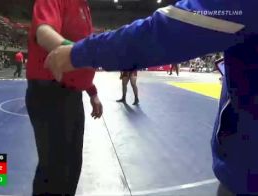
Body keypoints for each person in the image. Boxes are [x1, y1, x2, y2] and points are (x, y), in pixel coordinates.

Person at [45, 1, 258, 195]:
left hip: (247, 176)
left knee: (58, 164)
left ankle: (8, 181)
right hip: (50, 91)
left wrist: (76, 53)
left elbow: (167, 31)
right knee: (59, 162)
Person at [26, 0, 103, 195]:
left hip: (71, 94)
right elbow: (44, 33)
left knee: (72, 166)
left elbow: (76, 61)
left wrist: (92, 91)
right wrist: (80, 53)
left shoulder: (83, 6)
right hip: (51, 93)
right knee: (55, 171)